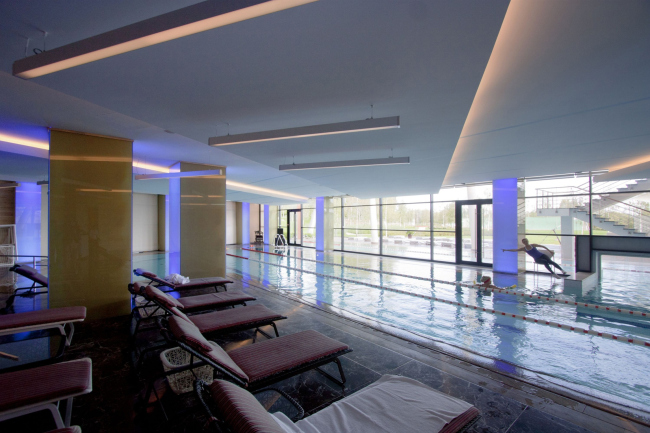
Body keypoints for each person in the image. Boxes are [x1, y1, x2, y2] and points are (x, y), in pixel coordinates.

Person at [503, 238, 569, 276]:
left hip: (542, 255)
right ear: (523, 243)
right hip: (537, 259)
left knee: (550, 261)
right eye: (524, 242)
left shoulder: (533, 245)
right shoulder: (524, 248)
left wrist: (549, 251)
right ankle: (553, 273)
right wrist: (506, 250)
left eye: (526, 241)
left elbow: (542, 246)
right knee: (545, 262)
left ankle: (562, 270)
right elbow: (515, 250)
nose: (525, 242)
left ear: (527, 241)